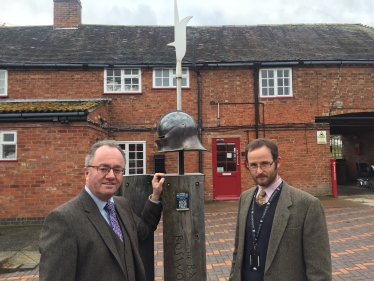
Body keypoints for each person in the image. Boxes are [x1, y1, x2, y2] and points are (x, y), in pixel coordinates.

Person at [39, 140, 165, 281]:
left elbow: (145, 231)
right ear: (86, 172)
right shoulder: (63, 220)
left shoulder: (122, 205)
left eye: (117, 170)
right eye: (103, 168)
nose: (111, 176)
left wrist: (155, 196)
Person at [229, 138, 331, 281]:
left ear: (278, 162)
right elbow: (238, 252)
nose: (259, 171)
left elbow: (319, 269)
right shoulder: (245, 199)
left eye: (265, 164)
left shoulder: (307, 204)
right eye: (253, 165)